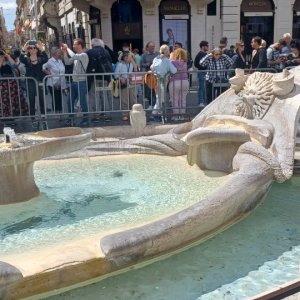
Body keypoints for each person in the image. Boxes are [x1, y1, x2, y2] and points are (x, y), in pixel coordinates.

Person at [61, 38, 89, 126]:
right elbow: (67, 62)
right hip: (74, 82)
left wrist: (67, 48)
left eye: (75, 44)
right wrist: (65, 52)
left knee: (83, 101)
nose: (73, 46)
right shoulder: (76, 55)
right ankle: (71, 119)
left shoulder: (84, 55)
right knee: (69, 101)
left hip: (81, 82)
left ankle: (86, 119)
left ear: (80, 45)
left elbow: (73, 56)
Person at [86, 38, 113, 122]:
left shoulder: (89, 52)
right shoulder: (106, 51)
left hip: (94, 77)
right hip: (105, 77)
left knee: (95, 96)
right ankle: (107, 115)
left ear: (92, 44)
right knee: (104, 95)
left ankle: (96, 116)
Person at [20, 39, 48, 116]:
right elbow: (21, 58)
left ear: (37, 49)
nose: (32, 49)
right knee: (31, 100)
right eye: (30, 48)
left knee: (42, 100)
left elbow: (46, 58)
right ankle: (33, 118)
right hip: (30, 82)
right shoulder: (26, 58)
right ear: (28, 50)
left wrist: (42, 48)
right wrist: (23, 49)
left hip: (40, 81)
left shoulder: (41, 57)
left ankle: (43, 116)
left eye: (34, 48)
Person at [150, 44, 177, 117]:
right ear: (167, 51)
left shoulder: (156, 59)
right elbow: (174, 70)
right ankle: (154, 114)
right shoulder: (167, 61)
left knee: (159, 97)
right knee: (160, 98)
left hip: (156, 79)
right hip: (163, 80)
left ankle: (158, 113)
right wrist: (168, 71)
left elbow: (151, 67)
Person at [0, 49, 28, 117]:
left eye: (1, 56)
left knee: (13, 102)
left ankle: (12, 116)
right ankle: (6, 116)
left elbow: (14, 65)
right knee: (4, 102)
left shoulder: (8, 62)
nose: (1, 57)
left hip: (12, 85)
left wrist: (7, 55)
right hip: (2, 86)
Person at [114, 50, 138, 121]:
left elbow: (136, 71)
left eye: (128, 56)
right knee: (124, 100)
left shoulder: (132, 63)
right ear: (123, 57)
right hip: (124, 84)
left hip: (132, 84)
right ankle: (125, 114)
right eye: (125, 56)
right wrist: (120, 78)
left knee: (133, 99)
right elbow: (115, 75)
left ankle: (134, 113)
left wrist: (133, 62)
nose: (127, 58)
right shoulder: (120, 64)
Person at [42, 47, 67, 114]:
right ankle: (56, 112)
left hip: (61, 82)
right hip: (52, 82)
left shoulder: (60, 61)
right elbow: (43, 67)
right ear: (54, 53)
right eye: (58, 52)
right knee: (55, 98)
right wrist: (48, 73)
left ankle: (60, 112)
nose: (60, 53)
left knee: (60, 98)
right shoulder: (50, 61)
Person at [169, 48, 189, 120]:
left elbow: (170, 70)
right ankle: (182, 116)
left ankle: (176, 116)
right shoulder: (185, 63)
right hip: (185, 81)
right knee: (183, 99)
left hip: (175, 81)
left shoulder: (172, 62)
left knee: (175, 99)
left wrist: (170, 58)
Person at [141, 41, 159, 108]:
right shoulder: (144, 55)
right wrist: (148, 64)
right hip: (148, 76)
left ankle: (156, 105)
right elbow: (142, 64)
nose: (152, 48)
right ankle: (150, 104)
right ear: (147, 47)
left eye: (153, 47)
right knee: (148, 91)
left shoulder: (157, 54)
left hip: (156, 75)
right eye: (151, 47)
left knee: (155, 91)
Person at [194, 40, 209, 106]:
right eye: (207, 46)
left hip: (204, 72)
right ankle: (201, 102)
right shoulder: (200, 54)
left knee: (204, 88)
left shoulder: (204, 54)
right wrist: (203, 67)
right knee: (201, 88)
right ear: (203, 47)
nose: (208, 47)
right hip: (201, 72)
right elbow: (196, 64)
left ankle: (204, 101)